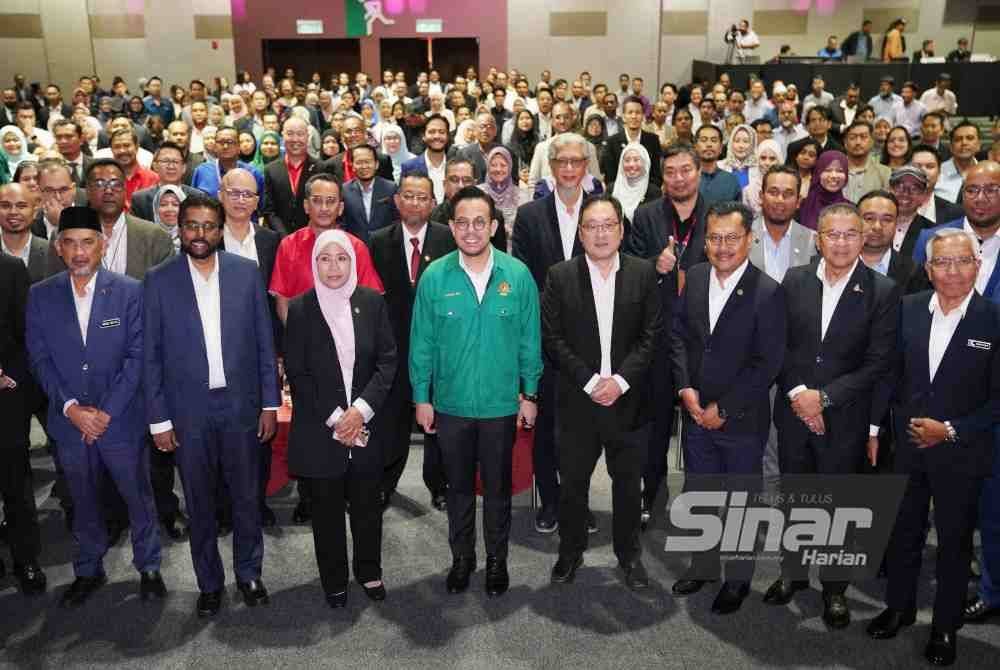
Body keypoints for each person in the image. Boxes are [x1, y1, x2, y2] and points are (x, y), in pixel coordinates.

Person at [866, 227, 1000, 667]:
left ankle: (945, 626)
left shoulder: (993, 320)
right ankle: (899, 608)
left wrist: (952, 430)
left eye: (962, 261)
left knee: (955, 544)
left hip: (961, 451)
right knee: (902, 533)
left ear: (977, 266)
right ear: (928, 268)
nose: (952, 270)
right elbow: (887, 374)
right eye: (941, 262)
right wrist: (874, 429)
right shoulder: (906, 310)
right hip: (905, 446)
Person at [143, 194, 279, 618]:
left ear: (221, 231)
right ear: (179, 229)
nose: (200, 235)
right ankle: (210, 583)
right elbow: (150, 355)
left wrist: (270, 403)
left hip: (241, 406)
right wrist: (159, 420)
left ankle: (249, 573)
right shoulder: (158, 280)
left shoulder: (246, 273)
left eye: (208, 226)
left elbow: (263, 342)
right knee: (199, 503)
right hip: (188, 412)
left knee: (246, 497)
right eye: (191, 226)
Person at [766, 202, 898, 628]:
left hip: (845, 419)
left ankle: (835, 589)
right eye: (832, 235)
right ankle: (793, 573)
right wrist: (801, 395)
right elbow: (777, 345)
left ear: (862, 239)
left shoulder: (882, 290)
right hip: (793, 412)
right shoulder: (794, 280)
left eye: (849, 234)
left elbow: (878, 362)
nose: (840, 243)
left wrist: (823, 399)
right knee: (795, 497)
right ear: (818, 240)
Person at [27, 206, 164, 607]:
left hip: (119, 420)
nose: (79, 252)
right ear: (58, 248)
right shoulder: (41, 295)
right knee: (81, 499)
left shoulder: (130, 291)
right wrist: (72, 409)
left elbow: (138, 357)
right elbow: (39, 359)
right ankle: (88, 568)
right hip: (69, 423)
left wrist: (104, 413)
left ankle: (150, 565)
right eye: (69, 243)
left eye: (87, 242)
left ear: (102, 246)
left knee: (136, 495)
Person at [410, 186, 542, 597]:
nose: (471, 230)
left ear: (495, 225)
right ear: (451, 227)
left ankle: (497, 562)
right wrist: (422, 397)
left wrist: (530, 394)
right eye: (462, 222)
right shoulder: (435, 277)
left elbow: (529, 342)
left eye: (479, 222)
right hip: (450, 407)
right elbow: (422, 343)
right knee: (459, 490)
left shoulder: (517, 276)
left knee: (499, 490)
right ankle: (462, 559)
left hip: (501, 407)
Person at [669, 200, 786, 614]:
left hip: (741, 420)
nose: (722, 246)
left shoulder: (769, 292)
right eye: (715, 238)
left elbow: (768, 362)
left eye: (731, 238)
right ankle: (702, 566)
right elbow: (678, 335)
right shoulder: (697, 278)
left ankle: (737, 580)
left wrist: (725, 407)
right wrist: (684, 387)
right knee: (698, 492)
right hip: (695, 413)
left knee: (740, 502)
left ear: (749, 240)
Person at [543, 194, 661, 589]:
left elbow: (651, 336)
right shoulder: (560, 276)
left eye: (608, 225)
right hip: (579, 400)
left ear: (621, 230)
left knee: (628, 486)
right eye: (591, 226)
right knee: (573, 485)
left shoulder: (644, 274)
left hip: (629, 402)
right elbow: (553, 338)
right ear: (580, 233)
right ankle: (570, 552)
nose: (600, 233)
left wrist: (620, 382)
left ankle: (629, 557)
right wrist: (593, 382)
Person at [284, 228, 396, 608]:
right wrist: (337, 419)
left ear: (354, 261)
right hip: (321, 429)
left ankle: (369, 570)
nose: (334, 267)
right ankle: (334, 578)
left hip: (366, 423)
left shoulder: (372, 302)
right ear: (314, 263)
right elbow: (298, 373)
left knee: (368, 507)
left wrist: (360, 411)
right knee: (326, 512)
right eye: (325, 259)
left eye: (342, 258)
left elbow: (387, 361)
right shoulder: (300, 308)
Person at [625, 144, 710, 528]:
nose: (679, 177)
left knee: (701, 423)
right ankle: (652, 497)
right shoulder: (645, 216)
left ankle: (699, 503)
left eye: (685, 170)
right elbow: (627, 268)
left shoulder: (719, 215)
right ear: (663, 177)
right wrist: (653, 265)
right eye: (671, 171)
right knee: (655, 426)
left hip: (705, 337)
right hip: (658, 337)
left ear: (698, 172)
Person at [512, 133, 592, 534]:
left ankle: (579, 501)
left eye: (576, 161)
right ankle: (550, 500)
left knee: (584, 429)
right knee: (544, 427)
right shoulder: (529, 215)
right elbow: (524, 277)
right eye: (561, 161)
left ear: (586, 167)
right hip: (543, 338)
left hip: (592, 340)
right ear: (551, 166)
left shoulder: (602, 212)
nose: (568, 169)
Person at [370, 174, 455, 510]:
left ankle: (439, 485)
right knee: (391, 420)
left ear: (432, 203)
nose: (416, 203)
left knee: (437, 419)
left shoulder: (449, 239)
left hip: (437, 348)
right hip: (392, 347)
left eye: (423, 197)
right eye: (409, 196)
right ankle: (385, 484)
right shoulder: (377, 240)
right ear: (397, 201)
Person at [0, 251, 47, 595]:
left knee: (16, 485)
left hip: (6, 395)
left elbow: (27, 336)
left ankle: (26, 560)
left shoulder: (10, 268)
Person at [260, 117, 331, 235]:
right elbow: (269, 210)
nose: (295, 139)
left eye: (300, 134)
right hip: (280, 239)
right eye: (290, 134)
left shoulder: (321, 168)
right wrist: (284, 236)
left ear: (308, 137)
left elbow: (325, 205)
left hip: (314, 235)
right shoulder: (271, 169)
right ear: (282, 136)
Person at [340, 144, 399, 244]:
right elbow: (341, 222)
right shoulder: (344, 190)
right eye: (359, 162)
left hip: (385, 247)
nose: (364, 166)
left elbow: (397, 221)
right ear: (353, 166)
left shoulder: (391, 188)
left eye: (368, 162)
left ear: (376, 164)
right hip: (355, 247)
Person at [602, 96, 663, 190]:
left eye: (638, 113)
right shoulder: (611, 143)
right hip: (619, 194)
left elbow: (656, 176)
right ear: (623, 116)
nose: (634, 116)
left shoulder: (653, 140)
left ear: (643, 116)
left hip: (647, 194)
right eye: (630, 112)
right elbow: (610, 178)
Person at [130, 142, 203, 221]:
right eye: (165, 161)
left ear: (184, 167)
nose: (171, 166)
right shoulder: (140, 199)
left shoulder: (198, 197)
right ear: (155, 166)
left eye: (175, 162)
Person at [858, 189, 916, 286]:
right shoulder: (835, 262)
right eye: (869, 218)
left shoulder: (913, 272)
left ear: (896, 224)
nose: (877, 227)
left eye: (887, 220)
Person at [191, 126, 264, 201]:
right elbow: (193, 203)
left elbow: (261, 207)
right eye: (221, 142)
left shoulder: (252, 173)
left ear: (239, 147)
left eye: (230, 142)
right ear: (215, 146)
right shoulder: (202, 171)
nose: (225, 146)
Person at [1, 182, 48, 284]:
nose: (13, 212)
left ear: (35, 212)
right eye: (5, 206)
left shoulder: (51, 251)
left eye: (21, 206)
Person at [400, 114, 450, 203]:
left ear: (448, 136)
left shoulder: (454, 167)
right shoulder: (409, 167)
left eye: (442, 132)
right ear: (423, 136)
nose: (437, 136)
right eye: (432, 132)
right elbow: (403, 201)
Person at [328, 115, 394, 183]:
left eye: (357, 130)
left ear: (365, 134)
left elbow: (390, 189)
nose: (353, 135)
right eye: (348, 131)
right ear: (342, 137)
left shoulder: (382, 160)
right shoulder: (331, 165)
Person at [611, 144, 660, 231]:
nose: (631, 164)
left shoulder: (654, 192)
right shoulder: (611, 189)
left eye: (636, 160)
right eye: (627, 160)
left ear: (645, 163)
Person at [798, 150, 850, 230]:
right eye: (827, 170)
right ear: (818, 173)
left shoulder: (851, 209)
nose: (834, 175)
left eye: (840, 171)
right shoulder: (802, 206)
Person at [843, 121, 891, 203]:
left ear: (872, 142)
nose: (858, 142)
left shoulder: (884, 172)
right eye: (852, 137)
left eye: (863, 137)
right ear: (845, 143)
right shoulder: (835, 171)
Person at [695, 125, 741, 206]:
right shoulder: (686, 179)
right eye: (704, 140)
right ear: (695, 147)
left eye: (714, 140)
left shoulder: (731, 181)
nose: (709, 144)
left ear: (720, 148)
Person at [935, 121, 980, 204]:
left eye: (970, 138)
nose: (964, 143)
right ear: (951, 147)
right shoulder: (936, 173)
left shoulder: (989, 174)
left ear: (978, 145)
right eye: (958, 139)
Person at [51, 119, 92, 186]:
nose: (63, 141)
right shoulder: (50, 168)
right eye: (59, 137)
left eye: (69, 136)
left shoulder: (94, 165)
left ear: (81, 139)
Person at [718, 124, 757, 189]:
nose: (741, 146)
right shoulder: (719, 166)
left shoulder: (758, 168)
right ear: (731, 143)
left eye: (745, 141)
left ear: (752, 145)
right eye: (737, 141)